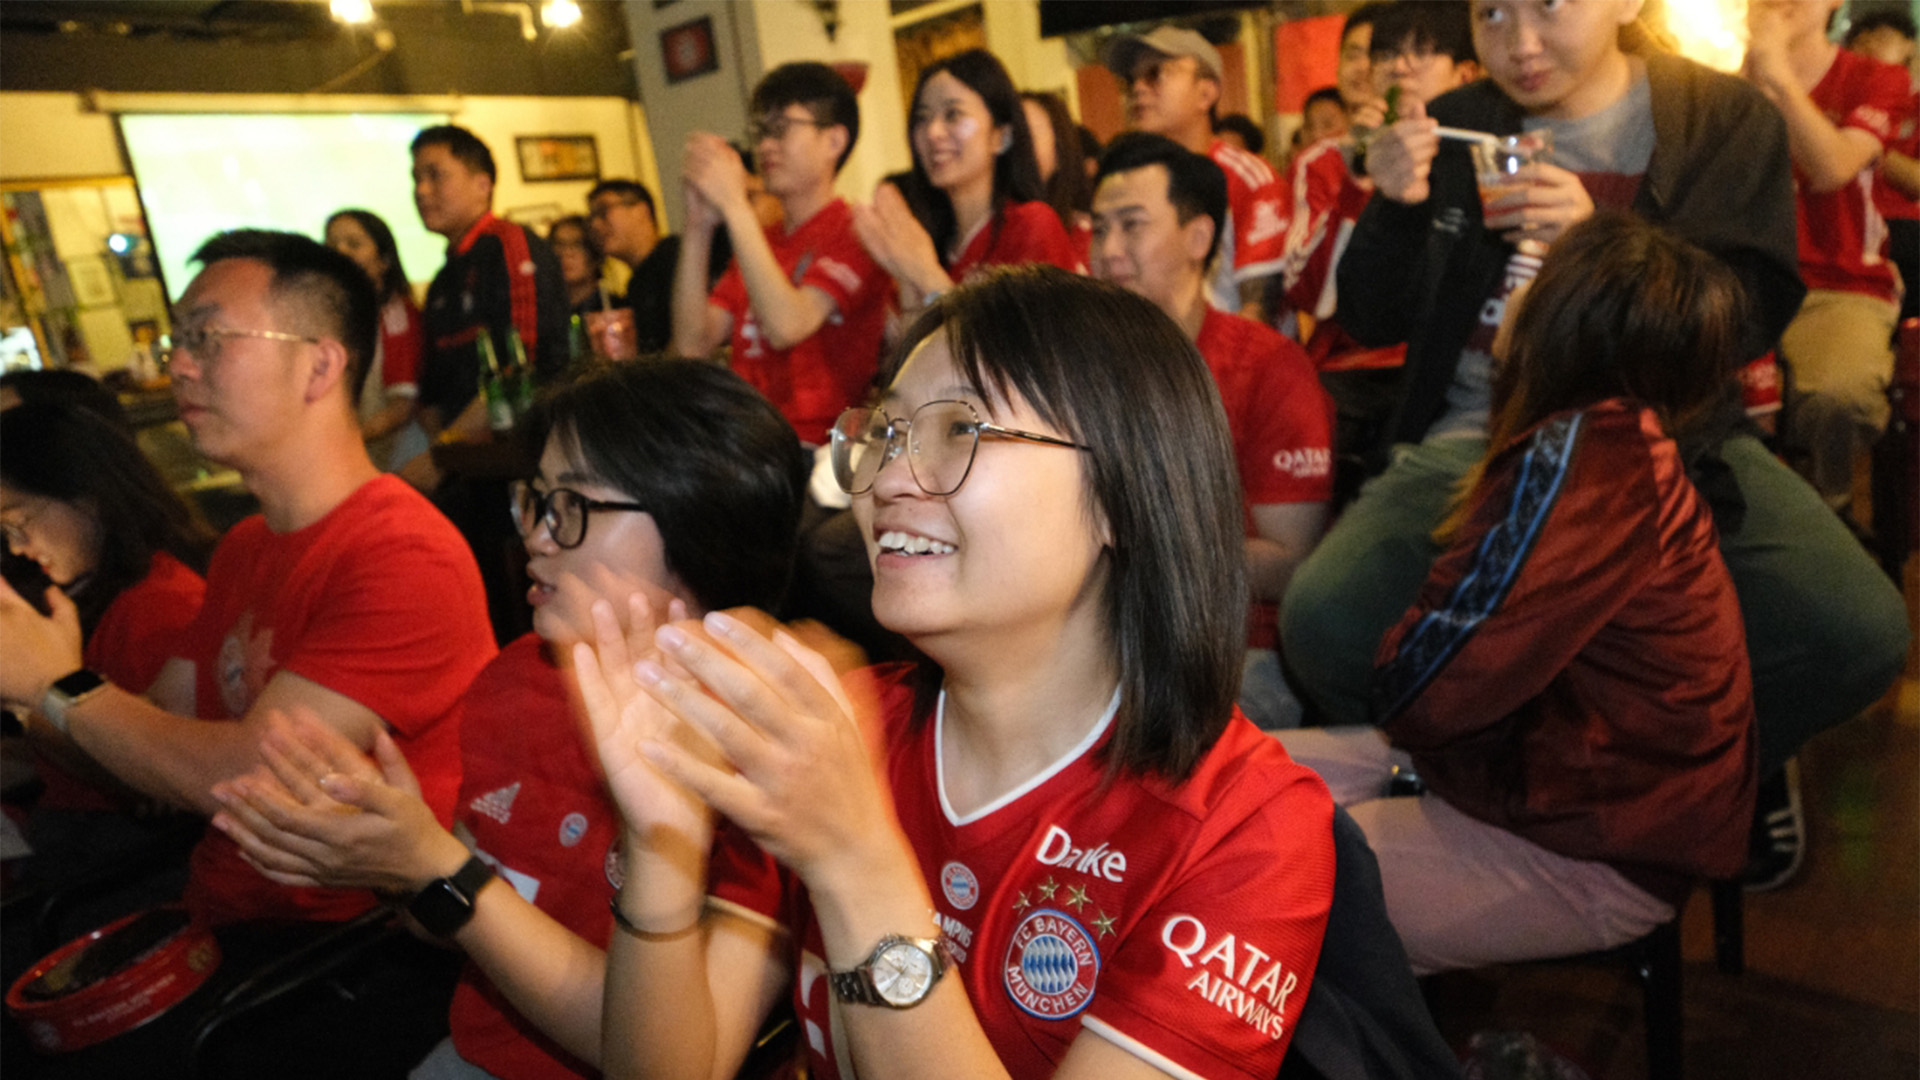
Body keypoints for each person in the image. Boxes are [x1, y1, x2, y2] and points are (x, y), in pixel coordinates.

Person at [579, 266, 1335, 1080]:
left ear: (1125, 491)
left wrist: (854, 861)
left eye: (960, 432)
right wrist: (663, 843)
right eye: (890, 434)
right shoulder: (840, 723)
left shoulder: (1249, 825)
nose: (892, 481)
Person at [1283, 0, 1908, 892]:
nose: (1520, 41)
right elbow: (1373, 316)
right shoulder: (1467, 127)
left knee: (1856, 631)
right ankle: (1509, 804)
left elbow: (1751, 313)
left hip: (1671, 442)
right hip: (1480, 441)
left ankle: (1721, 764)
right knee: (1326, 624)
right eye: (1492, 13)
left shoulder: (1719, 119)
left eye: (1548, 6)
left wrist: (1606, 246)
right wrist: (1391, 206)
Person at [203, 360, 809, 1080]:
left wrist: (437, 869)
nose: (537, 536)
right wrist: (385, 857)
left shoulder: (765, 736)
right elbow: (454, 925)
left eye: (572, 506)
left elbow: (674, 1066)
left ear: (698, 519)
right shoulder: (518, 677)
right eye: (534, 500)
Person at [0, 229, 498, 1075]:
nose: (179, 367)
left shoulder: (402, 551)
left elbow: (243, 772)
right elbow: (155, 743)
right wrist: (33, 685)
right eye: (178, 342)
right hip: (223, 918)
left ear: (320, 365)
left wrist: (57, 683)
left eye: (207, 339)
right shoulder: (245, 548)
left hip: (350, 946)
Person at [1281, 212, 1756, 974]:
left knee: (1255, 879)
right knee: (1232, 783)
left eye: (1533, 279)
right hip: (1541, 785)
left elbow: (1429, 685)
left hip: (1597, 842)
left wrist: (1408, 649)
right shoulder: (1614, 443)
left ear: (1564, 320)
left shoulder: (1590, 457)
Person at [1089, 133, 1332, 730]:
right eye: (1098, 229)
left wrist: (1137, 542)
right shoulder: (1083, 369)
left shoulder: (1268, 366)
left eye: (1131, 225)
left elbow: (1291, 563)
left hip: (1231, 649)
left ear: (1199, 238)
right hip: (1100, 642)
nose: (1108, 251)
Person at [1, 403, 210, 912]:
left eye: (19, 521)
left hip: (123, 867)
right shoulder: (94, 594)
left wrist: (31, 698)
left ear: (90, 499)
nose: (18, 547)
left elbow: (148, 780)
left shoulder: (161, 607)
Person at [1744, 0, 1912, 512]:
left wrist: (1778, 79)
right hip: (1744, 280)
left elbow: (1833, 166)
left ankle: (1827, 506)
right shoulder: (1719, 81)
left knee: (1838, 396)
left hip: (1842, 283)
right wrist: (1753, 75)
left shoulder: (1875, 77)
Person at [672, 62, 889, 446]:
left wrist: (735, 206)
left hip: (821, 447)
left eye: (781, 129)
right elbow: (693, 344)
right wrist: (698, 226)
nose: (766, 145)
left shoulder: (855, 230)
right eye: (761, 131)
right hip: (751, 436)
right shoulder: (764, 238)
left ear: (834, 142)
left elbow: (788, 325)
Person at [854, 50, 1077, 335]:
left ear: (1001, 136)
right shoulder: (935, 241)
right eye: (922, 118)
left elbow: (1025, 352)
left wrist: (925, 273)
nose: (933, 132)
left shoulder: (1031, 225)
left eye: (953, 114)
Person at [408, 124, 568, 481]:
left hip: (517, 456)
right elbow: (431, 385)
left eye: (435, 176)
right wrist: (445, 448)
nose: (421, 191)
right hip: (463, 460)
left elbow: (519, 364)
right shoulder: (441, 279)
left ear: (483, 185)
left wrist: (445, 451)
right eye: (416, 178)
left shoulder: (510, 245)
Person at [1107, 26, 1288, 319]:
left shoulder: (1249, 179)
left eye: (1155, 74)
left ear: (1206, 93)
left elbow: (1260, 308)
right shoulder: (1123, 185)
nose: (1138, 88)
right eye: (1131, 81)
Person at [326, 208, 426, 470]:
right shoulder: (334, 322)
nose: (341, 252)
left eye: (354, 244)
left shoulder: (395, 315)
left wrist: (338, 442)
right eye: (331, 245)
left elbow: (402, 407)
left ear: (384, 260)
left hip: (403, 462)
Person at [1844, 9, 1919, 323]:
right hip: (1844, 222)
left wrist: (1865, 142)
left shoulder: (1913, 107)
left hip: (1902, 226)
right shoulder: (1831, 98)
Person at [1021, 90, 1094, 261]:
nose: (1017, 148)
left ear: (1060, 149)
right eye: (1009, 136)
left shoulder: (1087, 236)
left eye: (1028, 135)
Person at [548, 214, 605, 315]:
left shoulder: (616, 308)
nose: (566, 253)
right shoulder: (545, 311)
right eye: (559, 245)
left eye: (577, 245)